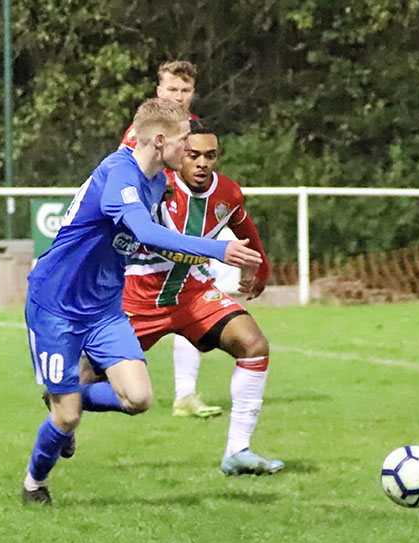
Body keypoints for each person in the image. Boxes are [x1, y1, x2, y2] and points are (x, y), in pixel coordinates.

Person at [21, 98, 262, 505]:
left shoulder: (154, 181)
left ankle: (63, 394)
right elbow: (144, 233)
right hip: (56, 306)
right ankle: (34, 484)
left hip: (104, 308)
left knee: (138, 399)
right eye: (184, 140)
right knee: (67, 417)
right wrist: (218, 249)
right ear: (161, 141)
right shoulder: (119, 176)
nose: (189, 149)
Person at [122, 120, 282, 476]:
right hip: (139, 299)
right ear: (178, 153)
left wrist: (259, 268)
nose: (202, 163)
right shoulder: (154, 184)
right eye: (193, 155)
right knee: (88, 376)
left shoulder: (227, 193)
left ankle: (238, 451)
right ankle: (63, 423)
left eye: (210, 156)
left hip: (194, 294)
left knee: (254, 345)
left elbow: (244, 227)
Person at [119, 59, 223, 419]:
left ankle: (185, 394)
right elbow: (127, 170)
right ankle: (77, 382)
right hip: (149, 237)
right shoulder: (141, 131)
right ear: (159, 91)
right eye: (172, 89)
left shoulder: (194, 128)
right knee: (136, 317)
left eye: (185, 90)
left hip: (184, 227)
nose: (179, 96)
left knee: (188, 305)